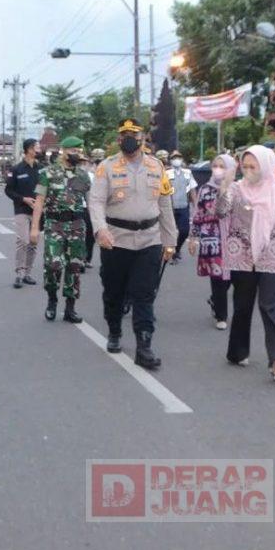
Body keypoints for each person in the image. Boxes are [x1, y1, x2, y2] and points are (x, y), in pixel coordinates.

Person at [88, 118, 177, 369]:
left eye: (134, 135)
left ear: (143, 138)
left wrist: (170, 240)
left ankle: (144, 346)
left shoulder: (156, 166)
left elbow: (164, 203)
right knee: (114, 292)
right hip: (116, 240)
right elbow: (96, 201)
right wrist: (100, 229)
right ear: (119, 139)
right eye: (124, 135)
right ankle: (114, 331)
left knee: (144, 294)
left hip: (149, 239)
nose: (129, 139)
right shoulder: (106, 167)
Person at [217, 144, 275, 380]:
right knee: (242, 306)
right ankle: (237, 352)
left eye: (254, 167)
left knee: (271, 306)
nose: (249, 171)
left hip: (272, 256)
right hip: (242, 257)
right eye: (245, 166)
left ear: (266, 166)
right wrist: (225, 186)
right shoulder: (236, 189)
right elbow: (220, 213)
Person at [30, 136, 90, 323]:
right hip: (54, 224)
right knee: (53, 265)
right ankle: (52, 299)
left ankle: (70, 308)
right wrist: (34, 228)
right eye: (73, 151)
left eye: (79, 151)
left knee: (75, 266)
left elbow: (92, 202)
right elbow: (39, 201)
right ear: (64, 151)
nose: (77, 154)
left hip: (77, 225)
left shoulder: (83, 175)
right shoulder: (48, 173)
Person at [187, 154, 236, 329]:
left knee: (232, 276)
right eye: (215, 166)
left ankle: (216, 299)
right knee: (217, 277)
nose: (218, 169)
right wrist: (193, 237)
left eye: (222, 166)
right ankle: (221, 316)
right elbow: (198, 214)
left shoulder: (237, 188)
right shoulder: (205, 189)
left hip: (233, 239)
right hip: (212, 238)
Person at [5, 138, 40, 289]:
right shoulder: (16, 169)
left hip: (38, 211)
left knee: (33, 242)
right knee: (23, 241)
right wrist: (23, 199)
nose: (39, 149)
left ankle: (27, 273)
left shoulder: (42, 169)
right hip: (21, 210)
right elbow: (8, 190)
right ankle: (19, 274)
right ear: (29, 149)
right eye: (37, 147)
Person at [166, 150, 197, 263]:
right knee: (169, 233)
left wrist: (196, 204)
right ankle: (169, 253)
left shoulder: (188, 173)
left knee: (184, 231)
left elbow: (192, 189)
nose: (176, 159)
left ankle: (177, 249)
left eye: (178, 157)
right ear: (170, 160)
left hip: (183, 206)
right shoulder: (166, 173)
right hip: (169, 208)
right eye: (174, 157)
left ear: (182, 159)